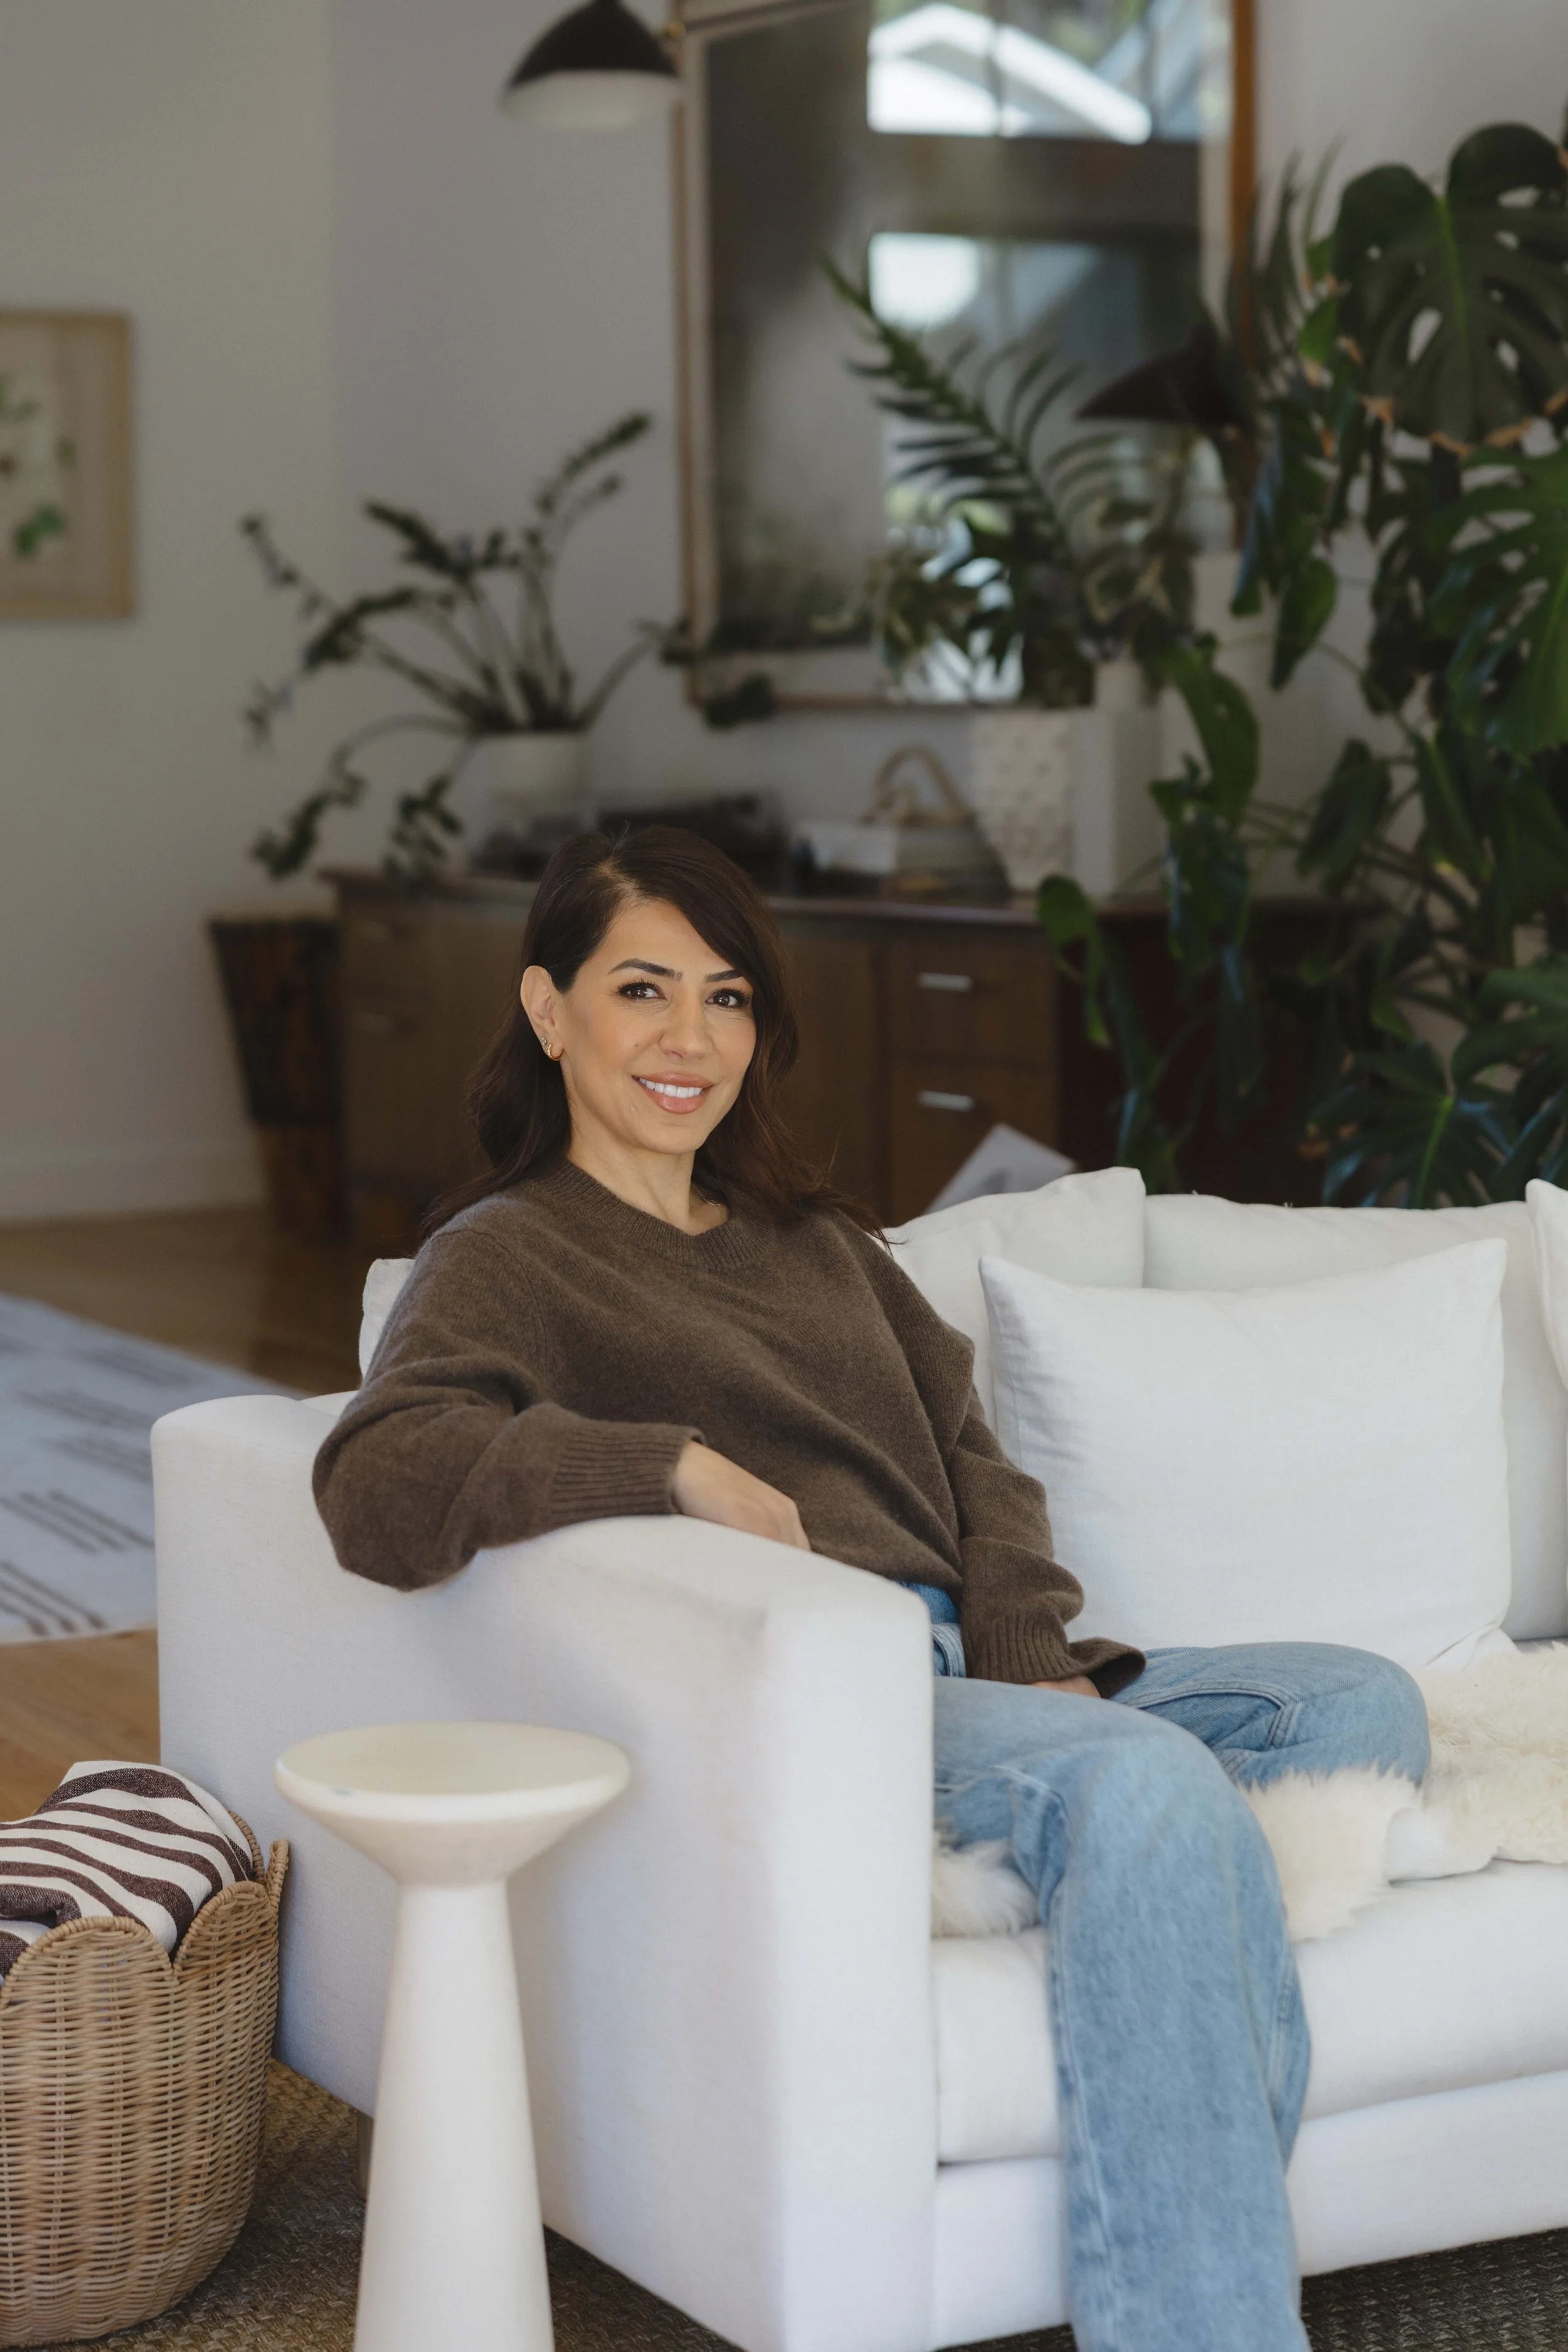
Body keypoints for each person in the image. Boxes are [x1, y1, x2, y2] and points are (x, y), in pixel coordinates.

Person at [314, 824, 1430, 2352]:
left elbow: (973, 1457)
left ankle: (1119, 1881)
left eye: (727, 999)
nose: (687, 1040)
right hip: (836, 1706)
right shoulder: (504, 1256)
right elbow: (374, 1479)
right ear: (546, 1007)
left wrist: (1031, 1650)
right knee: (1158, 1796)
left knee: (1355, 1706)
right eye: (642, 990)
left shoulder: (816, 1242)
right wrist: (667, 1465)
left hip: (975, 1677)